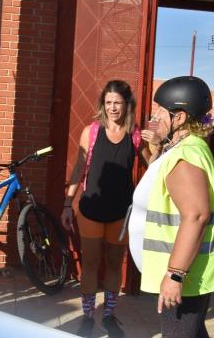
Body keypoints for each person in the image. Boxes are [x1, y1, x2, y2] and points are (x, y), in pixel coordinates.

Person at [130, 76, 214, 338]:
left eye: (160, 112)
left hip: (186, 275)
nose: (155, 117)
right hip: (188, 271)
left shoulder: (185, 155)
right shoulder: (182, 148)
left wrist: (175, 275)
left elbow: (196, 215)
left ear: (179, 117)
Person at [60, 80, 150, 338]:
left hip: (121, 213)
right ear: (103, 105)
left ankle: (109, 315)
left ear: (126, 104)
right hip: (90, 209)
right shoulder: (92, 131)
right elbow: (79, 169)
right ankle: (88, 317)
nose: (112, 108)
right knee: (89, 263)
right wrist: (68, 203)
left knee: (113, 263)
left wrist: (157, 143)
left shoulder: (134, 134)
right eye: (108, 102)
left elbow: (153, 165)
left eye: (117, 103)